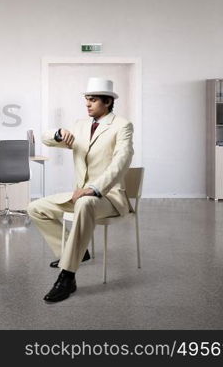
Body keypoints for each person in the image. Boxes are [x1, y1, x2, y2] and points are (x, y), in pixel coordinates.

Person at [27, 77, 134, 303]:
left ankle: (67, 276)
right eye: (86, 100)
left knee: (85, 202)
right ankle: (77, 252)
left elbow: (121, 161)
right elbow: (47, 139)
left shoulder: (122, 126)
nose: (87, 104)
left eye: (92, 100)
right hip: (79, 195)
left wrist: (94, 188)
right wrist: (58, 134)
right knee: (35, 208)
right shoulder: (80, 126)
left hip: (108, 197)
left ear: (107, 102)